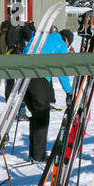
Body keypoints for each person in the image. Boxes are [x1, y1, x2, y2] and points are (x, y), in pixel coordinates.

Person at [24, 28, 72, 162]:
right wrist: (68, 91)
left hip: (23, 77)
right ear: (67, 40)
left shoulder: (42, 38)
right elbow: (62, 70)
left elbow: (25, 50)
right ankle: (39, 155)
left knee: (35, 115)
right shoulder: (61, 44)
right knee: (42, 116)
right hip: (39, 78)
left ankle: (33, 153)